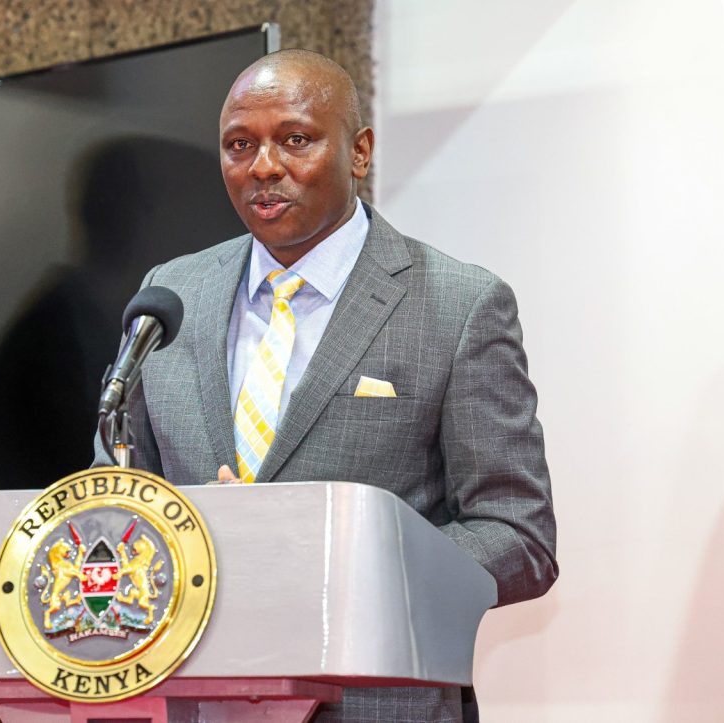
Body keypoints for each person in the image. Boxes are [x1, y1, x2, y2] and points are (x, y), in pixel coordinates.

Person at [97, 49, 558, 722]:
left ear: (360, 151)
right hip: (192, 699)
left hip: (372, 701)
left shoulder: (458, 306)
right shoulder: (171, 295)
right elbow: (113, 493)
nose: (263, 167)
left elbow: (520, 536)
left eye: (295, 139)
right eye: (238, 145)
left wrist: (324, 559)